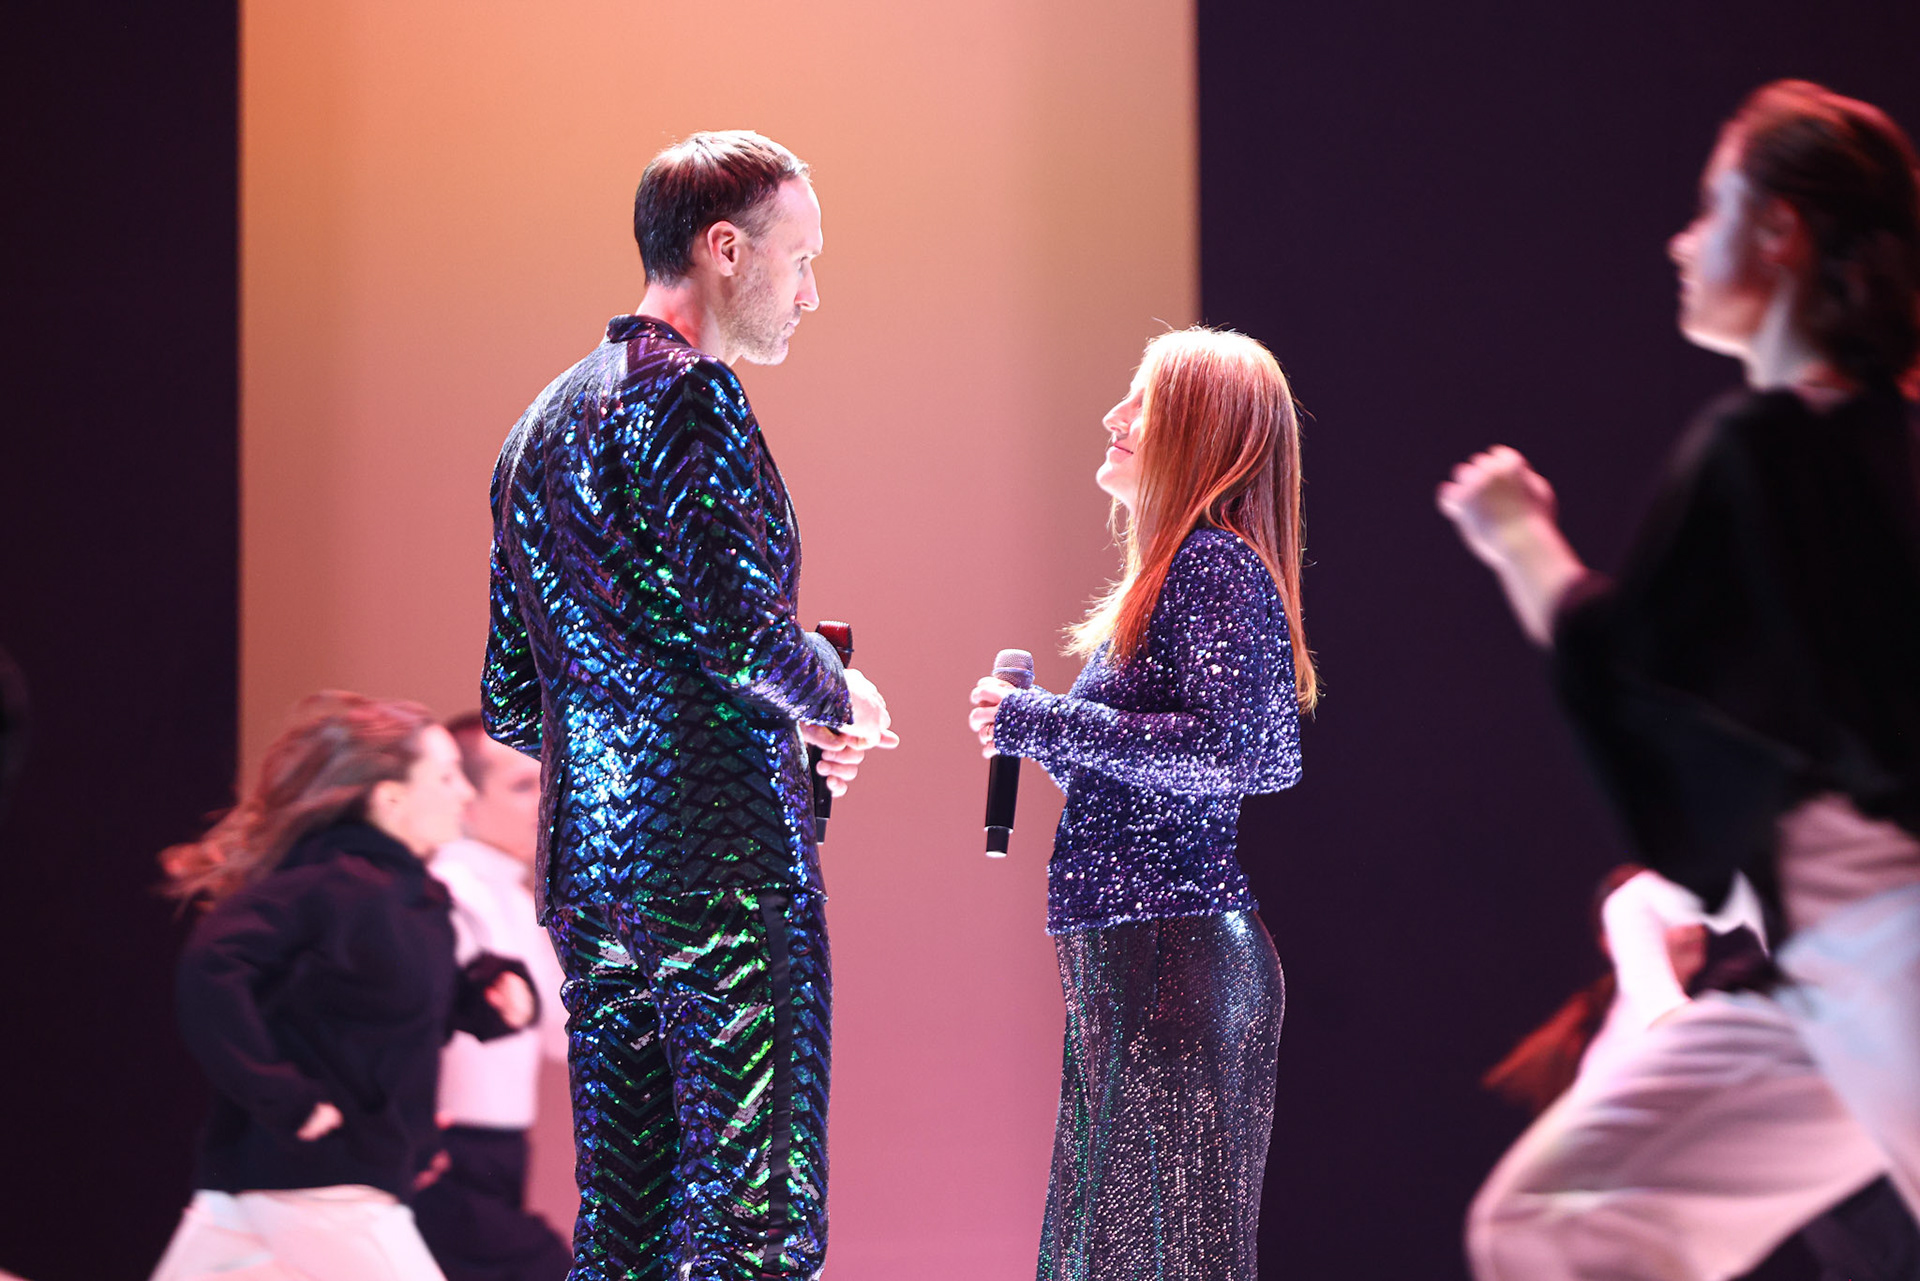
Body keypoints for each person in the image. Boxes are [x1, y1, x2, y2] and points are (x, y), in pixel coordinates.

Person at [1439, 79, 1920, 1279]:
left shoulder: (1768, 450)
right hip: (1828, 973)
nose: (1681, 240)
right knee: (1558, 1219)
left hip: (1890, 948)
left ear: (1781, 230)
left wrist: (1518, 537)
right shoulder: (1843, 454)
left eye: (1712, 208)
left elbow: (1629, 672)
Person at [483, 130, 897, 1280]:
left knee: (623, 1233)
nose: (810, 294)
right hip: (723, 871)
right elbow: (739, 635)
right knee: (756, 1222)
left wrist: (781, 725)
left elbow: (512, 700)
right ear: (725, 249)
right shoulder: (691, 394)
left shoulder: (535, 429)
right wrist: (839, 696)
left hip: (589, 877)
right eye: (801, 260)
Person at [968, 326, 1312, 1281]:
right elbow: (1143, 788)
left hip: (1175, 964)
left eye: (1143, 403)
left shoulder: (1214, 565)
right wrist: (1039, 731)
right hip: (1139, 966)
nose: (1115, 417)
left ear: (1201, 432)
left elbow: (1247, 754)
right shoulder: (1179, 573)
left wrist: (1044, 721)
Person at [150, 692, 537, 1281]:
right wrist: (285, 1098)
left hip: (284, 1186)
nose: (463, 793)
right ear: (390, 798)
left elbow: (394, 1007)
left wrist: (491, 997)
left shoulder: (414, 900)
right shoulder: (330, 888)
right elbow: (213, 969)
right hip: (322, 1182)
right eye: (445, 777)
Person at [413, 713, 572, 1281]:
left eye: (546, 781)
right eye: (522, 786)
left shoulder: (514, 900)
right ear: (467, 800)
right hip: (444, 1156)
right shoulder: (448, 897)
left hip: (498, 1154)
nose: (545, 802)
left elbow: (560, 1034)